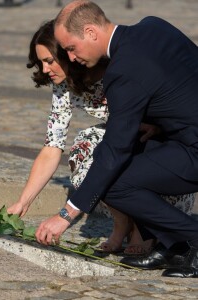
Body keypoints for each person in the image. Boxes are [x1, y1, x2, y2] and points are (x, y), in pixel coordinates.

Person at [35, 0, 198, 278]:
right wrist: (160, 124)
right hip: (183, 133)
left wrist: (67, 215)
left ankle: (192, 238)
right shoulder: (153, 25)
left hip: (192, 147)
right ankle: (174, 246)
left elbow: (114, 150)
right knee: (141, 147)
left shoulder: (122, 71)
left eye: (71, 48)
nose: (71, 58)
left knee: (114, 183)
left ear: (91, 32)